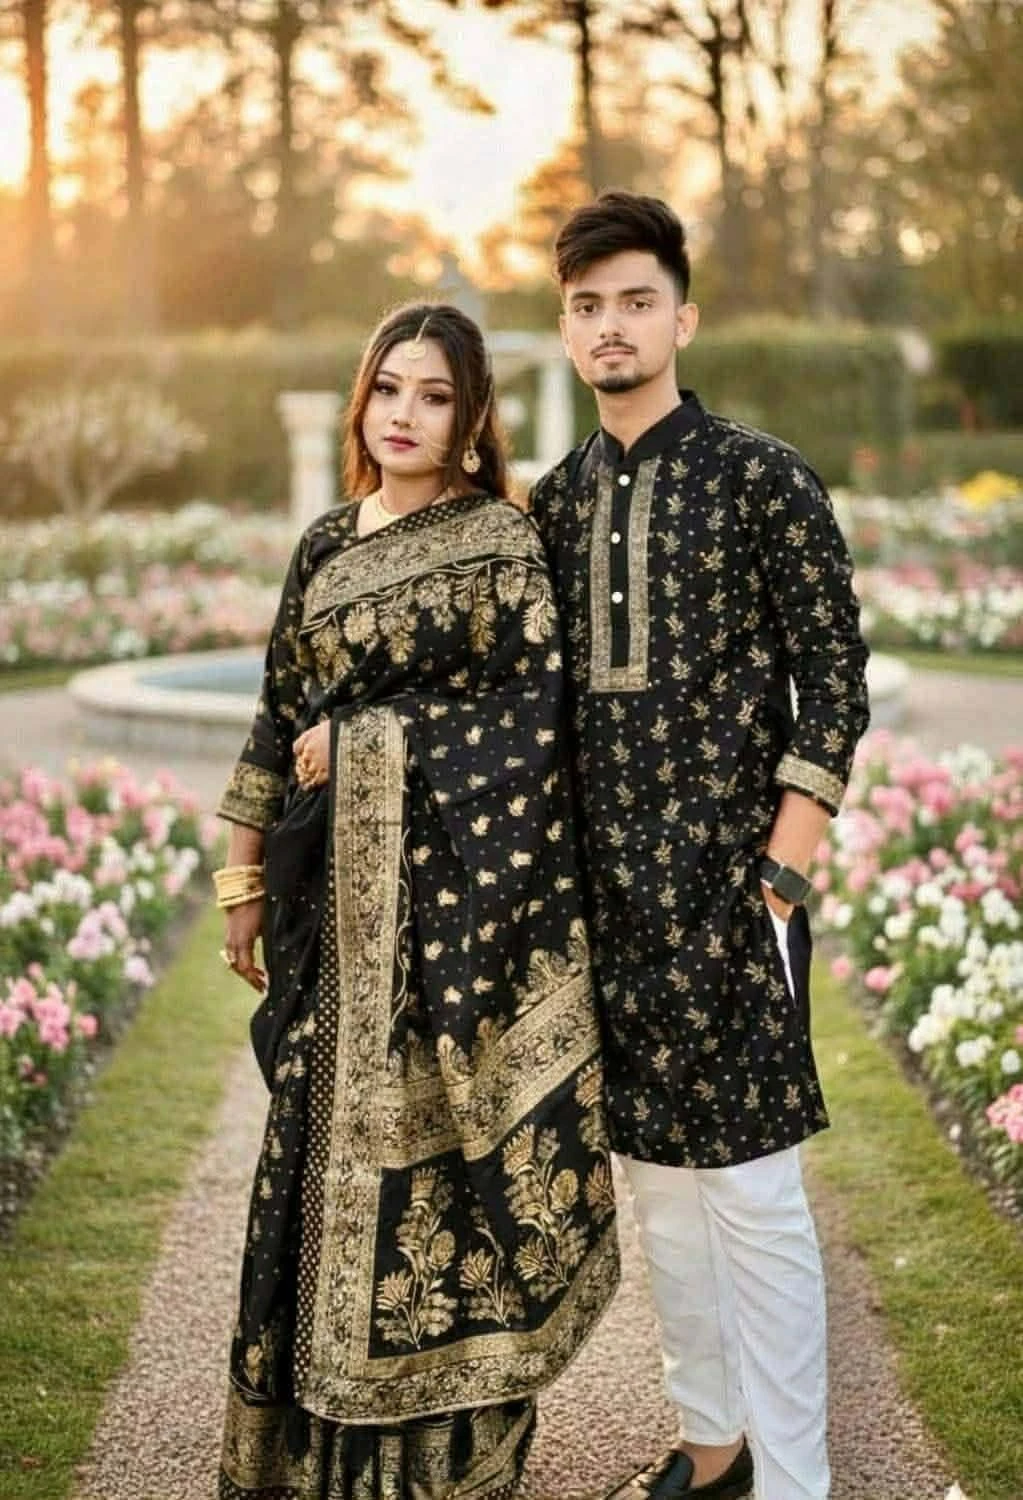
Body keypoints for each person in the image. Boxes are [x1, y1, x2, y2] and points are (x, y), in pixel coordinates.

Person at [213, 301, 619, 1500]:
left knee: (446, 1175)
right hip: (333, 926)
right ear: (362, 398)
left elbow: (534, 723)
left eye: (435, 396)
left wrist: (370, 742)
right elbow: (276, 716)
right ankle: (310, 1454)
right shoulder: (325, 547)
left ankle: (445, 1458)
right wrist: (242, 876)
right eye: (388, 388)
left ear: (473, 415)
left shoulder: (501, 543)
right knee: (318, 1164)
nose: (404, 414)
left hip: (454, 929)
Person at [529, 193, 871, 1500]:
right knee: (660, 1193)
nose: (610, 325)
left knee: (756, 1199)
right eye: (586, 306)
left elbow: (831, 674)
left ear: (682, 317)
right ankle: (711, 1445)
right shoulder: (552, 505)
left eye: (635, 300)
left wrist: (782, 868)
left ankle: (795, 1482)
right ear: (565, 330)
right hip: (609, 906)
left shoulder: (759, 477)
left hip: (735, 897)